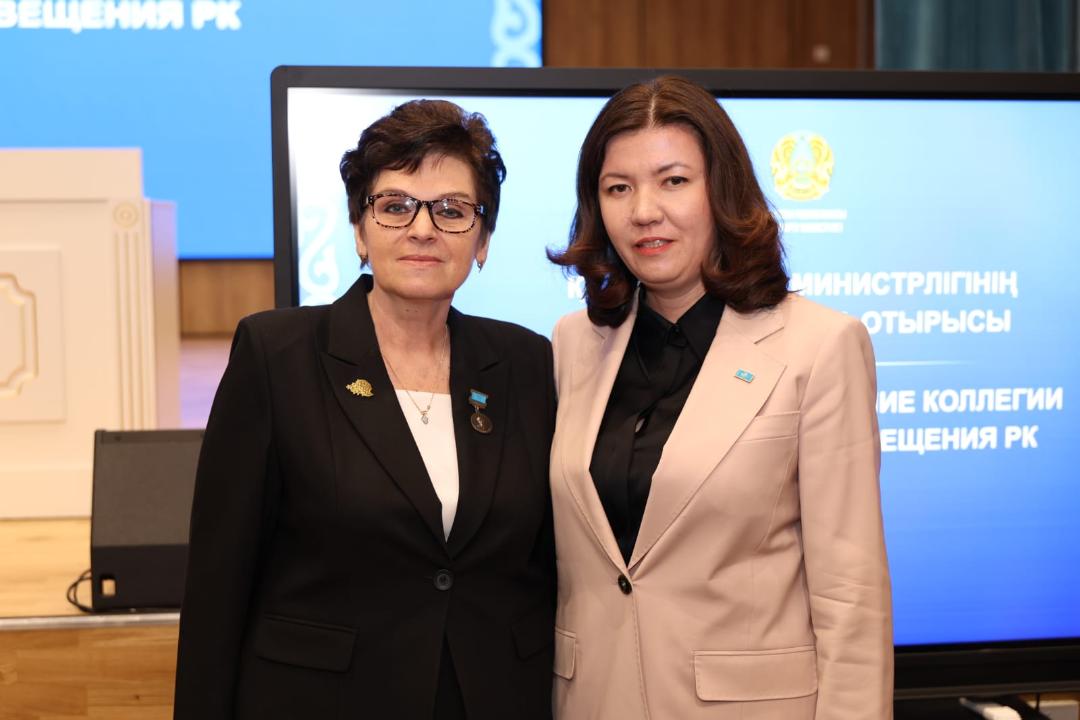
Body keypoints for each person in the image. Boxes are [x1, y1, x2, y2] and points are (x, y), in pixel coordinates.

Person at [174, 99, 556, 720]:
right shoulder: (277, 355)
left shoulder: (526, 363)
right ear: (359, 229)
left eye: (452, 210)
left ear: (483, 239)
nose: (423, 229)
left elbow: (543, 568)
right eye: (396, 205)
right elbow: (218, 583)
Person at [547, 75, 892, 719]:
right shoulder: (573, 343)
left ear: (723, 191)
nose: (644, 211)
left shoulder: (819, 346)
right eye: (618, 188)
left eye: (673, 181)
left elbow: (850, 596)